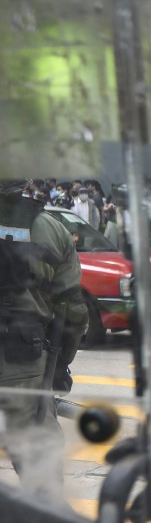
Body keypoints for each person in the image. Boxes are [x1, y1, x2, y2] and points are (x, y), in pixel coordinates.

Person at [0, 179, 88, 500]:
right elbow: (73, 311)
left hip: (25, 357)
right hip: (25, 360)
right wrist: (61, 362)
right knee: (40, 471)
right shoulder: (51, 229)